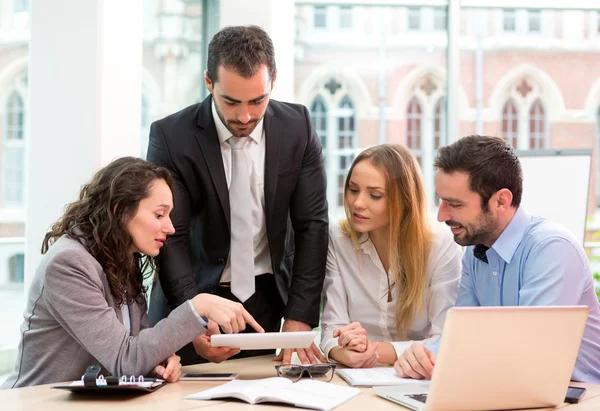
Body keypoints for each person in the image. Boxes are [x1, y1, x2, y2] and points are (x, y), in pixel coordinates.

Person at [146, 25, 328, 365]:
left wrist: (300, 314)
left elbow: (312, 226)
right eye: (231, 101)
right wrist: (192, 321)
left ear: (273, 80)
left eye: (257, 100)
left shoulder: (298, 126)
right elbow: (173, 236)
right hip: (190, 294)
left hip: (265, 305)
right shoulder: (171, 137)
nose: (245, 116)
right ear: (209, 83)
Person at [1, 157, 262, 389]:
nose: (170, 227)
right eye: (160, 214)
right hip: (36, 403)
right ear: (120, 210)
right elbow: (125, 359)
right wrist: (198, 305)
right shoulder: (68, 264)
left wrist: (159, 361)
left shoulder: (123, 258)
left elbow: (136, 346)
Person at [393, 135, 600, 383]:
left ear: (501, 201)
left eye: (454, 204)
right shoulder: (474, 249)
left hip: (578, 396)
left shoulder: (553, 249)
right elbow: (464, 338)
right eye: (441, 201)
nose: (441, 216)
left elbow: (530, 354)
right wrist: (424, 357)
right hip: (511, 390)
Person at [320, 144, 462, 368]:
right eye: (353, 190)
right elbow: (331, 326)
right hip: (352, 376)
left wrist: (375, 351)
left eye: (375, 195)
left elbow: (446, 339)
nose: (358, 203)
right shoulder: (337, 240)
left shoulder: (441, 245)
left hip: (418, 376)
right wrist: (341, 351)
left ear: (404, 201)